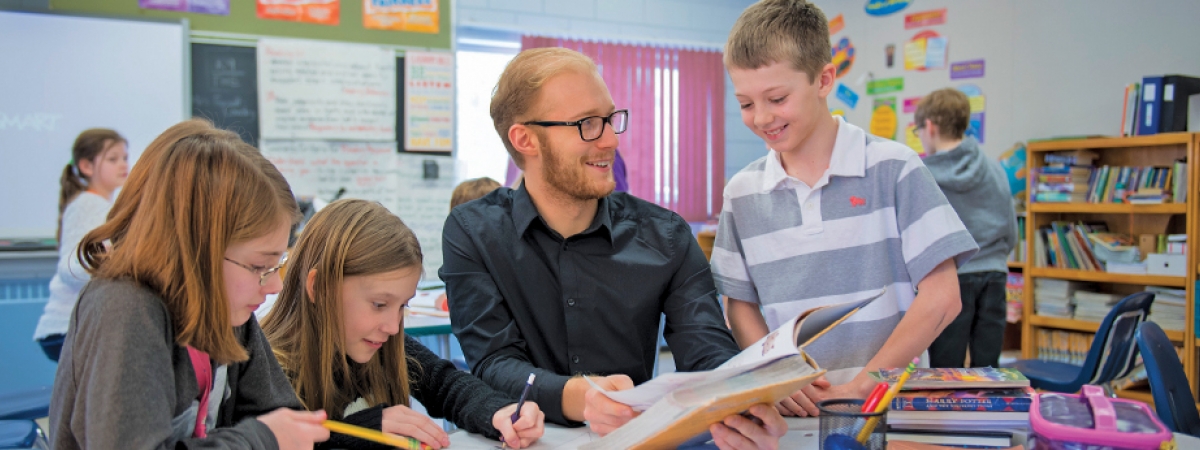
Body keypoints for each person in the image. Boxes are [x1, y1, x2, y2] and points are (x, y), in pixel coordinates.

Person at [441, 47, 786, 449]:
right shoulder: (472, 233)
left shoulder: (666, 235)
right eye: (587, 123)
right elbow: (493, 362)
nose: (610, 139)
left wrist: (740, 403)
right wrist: (583, 397)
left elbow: (707, 351)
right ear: (525, 139)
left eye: (609, 119)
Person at [714, 0, 979, 417]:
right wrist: (772, 372)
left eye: (777, 98)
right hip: (794, 419)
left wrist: (864, 385)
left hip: (893, 412)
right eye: (746, 103)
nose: (761, 117)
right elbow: (739, 304)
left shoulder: (895, 168)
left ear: (824, 79)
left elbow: (943, 297)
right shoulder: (742, 193)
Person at [48, 119, 330, 449]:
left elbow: (281, 416)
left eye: (276, 266)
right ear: (195, 251)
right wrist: (260, 440)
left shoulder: (226, 309)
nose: (274, 287)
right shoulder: (125, 308)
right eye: (259, 267)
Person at [262, 199, 546, 450]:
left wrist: (498, 411)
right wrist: (361, 431)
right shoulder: (265, 371)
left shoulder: (380, 345)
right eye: (379, 304)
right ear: (320, 288)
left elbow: (445, 384)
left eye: (402, 306)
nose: (393, 327)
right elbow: (277, 440)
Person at [914, 88, 1018, 368]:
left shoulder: (922, 175)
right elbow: (1011, 230)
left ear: (931, 127)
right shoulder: (994, 168)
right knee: (988, 368)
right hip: (994, 275)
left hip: (951, 279)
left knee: (945, 367)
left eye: (918, 131)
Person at [32, 128, 129, 361]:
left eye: (125, 158)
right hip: (67, 325)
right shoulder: (88, 205)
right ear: (86, 166)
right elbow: (72, 265)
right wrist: (108, 260)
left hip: (77, 324)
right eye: (113, 159)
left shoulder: (100, 205)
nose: (123, 165)